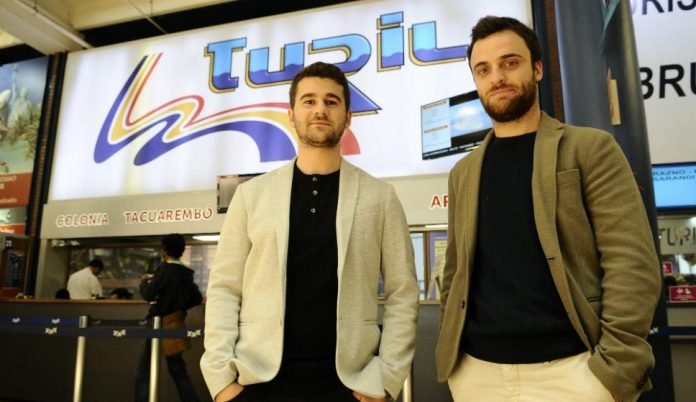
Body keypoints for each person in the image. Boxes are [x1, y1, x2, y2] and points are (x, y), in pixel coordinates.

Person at [435, 16, 661, 402]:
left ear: (537, 68)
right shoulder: (463, 172)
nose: (497, 77)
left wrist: (614, 368)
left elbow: (632, 262)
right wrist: (458, 364)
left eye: (510, 63)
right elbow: (456, 270)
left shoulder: (589, 149)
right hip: (477, 376)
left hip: (575, 373)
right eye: (483, 69)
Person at [200, 61, 419, 402]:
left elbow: (402, 293)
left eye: (331, 101)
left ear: (348, 117)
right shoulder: (250, 195)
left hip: (350, 384)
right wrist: (220, 380)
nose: (320, 109)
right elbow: (225, 288)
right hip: (258, 382)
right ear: (291, 114)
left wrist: (386, 377)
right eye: (309, 101)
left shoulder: (380, 197)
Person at [136, 233, 203, 402]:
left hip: (157, 323)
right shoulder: (186, 272)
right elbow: (196, 298)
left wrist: (143, 282)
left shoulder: (164, 269)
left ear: (164, 250)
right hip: (175, 323)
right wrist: (180, 307)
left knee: (144, 369)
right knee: (178, 370)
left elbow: (148, 294)